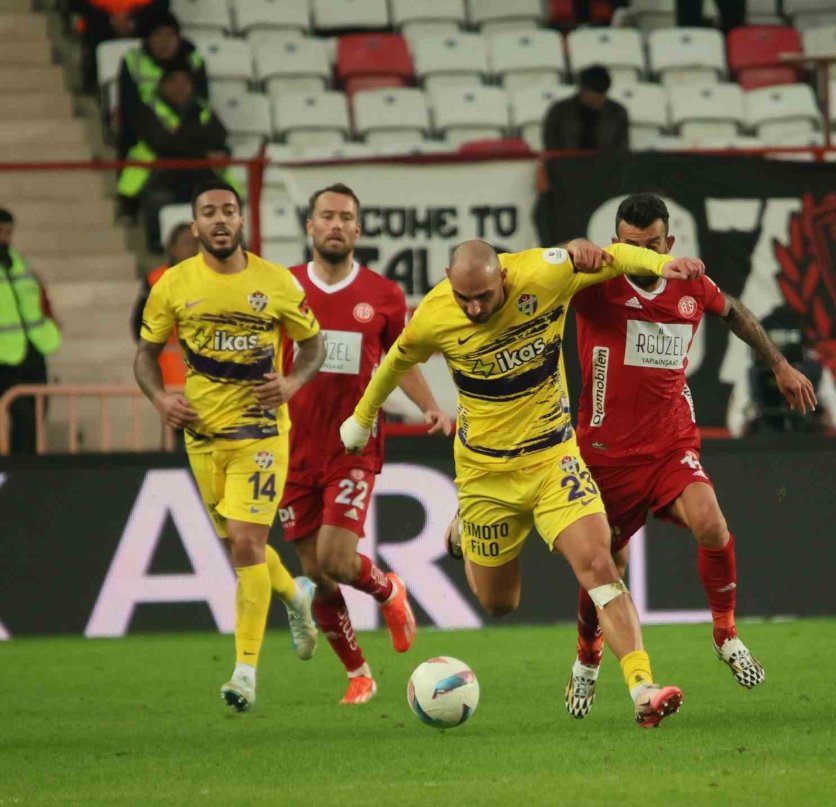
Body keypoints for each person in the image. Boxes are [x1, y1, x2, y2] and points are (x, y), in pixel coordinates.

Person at [341, 237, 707, 728]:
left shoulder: (544, 273)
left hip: (553, 458)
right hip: (486, 475)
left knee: (599, 562)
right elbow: (396, 362)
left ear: (504, 279)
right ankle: (463, 530)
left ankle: (642, 687)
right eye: (463, 297)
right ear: (449, 281)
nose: (473, 308)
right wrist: (361, 419)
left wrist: (664, 264)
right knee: (499, 603)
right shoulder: (433, 314)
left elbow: (618, 256)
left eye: (484, 297)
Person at [558, 193, 815, 718]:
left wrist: (780, 367)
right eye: (632, 247)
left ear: (668, 242)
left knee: (711, 523)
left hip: (671, 445)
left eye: (653, 245)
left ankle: (725, 634)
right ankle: (588, 656)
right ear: (617, 245)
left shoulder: (690, 284)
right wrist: (572, 250)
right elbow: (547, 271)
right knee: (605, 565)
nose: (645, 255)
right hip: (604, 457)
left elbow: (737, 313)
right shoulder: (597, 288)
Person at [134, 181, 326, 712]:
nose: (220, 220)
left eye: (229, 211)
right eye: (208, 213)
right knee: (240, 550)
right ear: (194, 227)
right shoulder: (172, 285)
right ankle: (294, 594)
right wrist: (158, 398)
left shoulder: (276, 282)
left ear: (241, 222)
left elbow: (314, 345)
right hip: (202, 437)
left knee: (245, 543)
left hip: (261, 435)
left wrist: (291, 384)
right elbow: (145, 355)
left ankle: (244, 673)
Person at [280, 183, 452, 704]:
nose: (335, 224)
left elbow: (401, 360)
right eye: (326, 216)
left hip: (350, 447)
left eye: (345, 217)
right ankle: (360, 674)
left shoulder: (383, 295)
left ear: (358, 229)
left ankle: (387, 589)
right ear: (310, 226)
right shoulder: (284, 288)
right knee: (314, 571)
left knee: (334, 557)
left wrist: (428, 405)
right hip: (290, 447)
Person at [117, 65, 233, 250]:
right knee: (157, 200)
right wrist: (199, 143)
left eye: (185, 81)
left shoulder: (202, 108)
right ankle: (158, 247)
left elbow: (220, 137)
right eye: (174, 81)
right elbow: (160, 142)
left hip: (200, 177)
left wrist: (178, 137)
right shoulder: (148, 108)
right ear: (162, 85)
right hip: (161, 177)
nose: (180, 86)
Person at [727, 305, 836, 437]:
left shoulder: (815, 371)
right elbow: (736, 425)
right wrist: (756, 420)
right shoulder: (753, 375)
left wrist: (817, 416)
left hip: (807, 442)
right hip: (765, 446)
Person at [0, 209, 61, 455]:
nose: (5, 238)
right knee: (22, 416)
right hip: (4, 355)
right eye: (1, 232)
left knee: (37, 412)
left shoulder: (19, 262)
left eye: (8, 232)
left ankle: (28, 465)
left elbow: (39, 298)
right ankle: (18, 468)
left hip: (33, 347)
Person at [118, 9, 208, 161]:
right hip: (145, 138)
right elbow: (129, 111)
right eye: (157, 35)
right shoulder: (132, 60)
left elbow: (201, 103)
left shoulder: (194, 59)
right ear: (148, 38)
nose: (164, 41)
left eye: (170, 35)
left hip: (188, 139)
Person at [130, 221, 198, 392]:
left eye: (195, 244)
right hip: (167, 371)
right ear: (172, 249)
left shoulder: (211, 280)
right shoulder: (156, 280)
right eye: (186, 243)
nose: (192, 249)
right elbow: (139, 324)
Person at [542, 65, 630, 154]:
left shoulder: (617, 113)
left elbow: (621, 150)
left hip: (606, 165)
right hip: (566, 164)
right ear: (581, 91)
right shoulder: (559, 112)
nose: (595, 102)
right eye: (591, 98)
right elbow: (551, 149)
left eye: (600, 98)